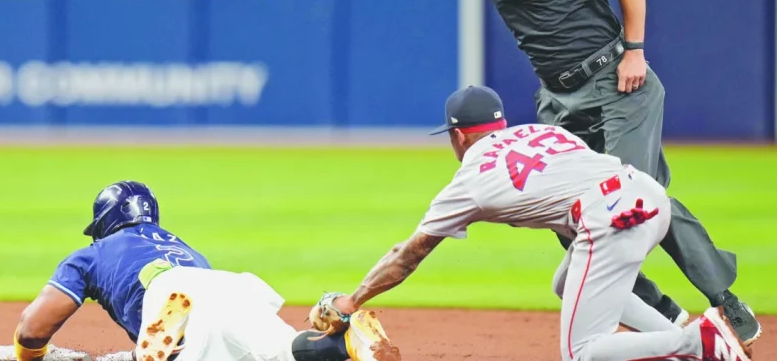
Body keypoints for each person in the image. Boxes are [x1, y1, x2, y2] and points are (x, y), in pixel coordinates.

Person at [417, 0, 761, 345]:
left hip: (617, 82)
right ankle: (666, 313)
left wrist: (635, 51)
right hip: (560, 100)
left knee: (632, 194)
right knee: (569, 215)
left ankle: (725, 299)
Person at [316, 85, 753, 361]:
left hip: (611, 218)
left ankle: (699, 342)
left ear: (458, 135)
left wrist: (354, 299)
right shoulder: (549, 133)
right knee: (567, 284)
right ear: (500, 124)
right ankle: (683, 340)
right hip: (647, 196)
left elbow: (408, 254)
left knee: (582, 352)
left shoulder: (470, 178)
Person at [13, 180, 400, 361]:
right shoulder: (184, 247)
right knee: (281, 352)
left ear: (105, 223)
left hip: (167, 294)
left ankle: (150, 355)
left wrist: (30, 356)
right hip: (228, 284)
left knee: (183, 351)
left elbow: (33, 328)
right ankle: (351, 344)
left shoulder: (93, 252)